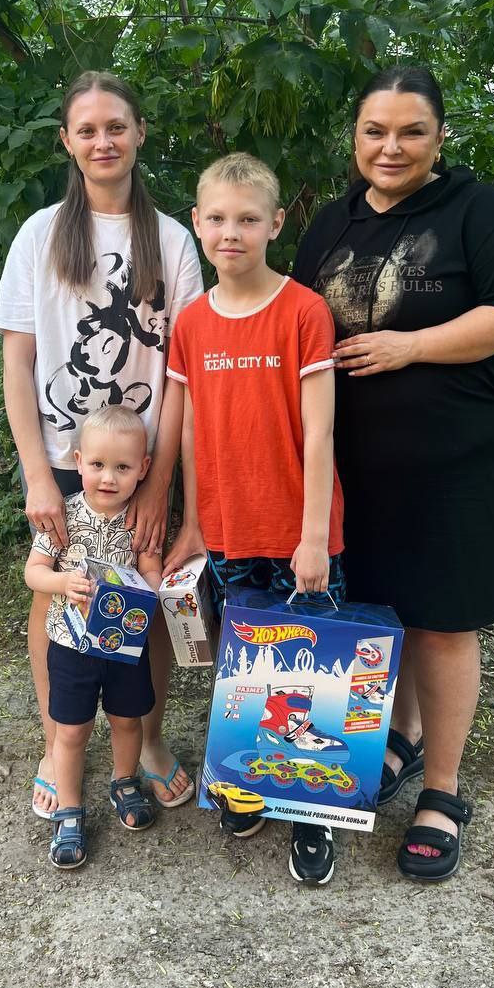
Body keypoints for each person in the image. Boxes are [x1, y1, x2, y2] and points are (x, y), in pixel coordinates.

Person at [292, 66, 494, 882]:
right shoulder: (328, 226)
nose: (390, 147)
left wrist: (412, 345)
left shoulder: (479, 211)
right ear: (354, 138)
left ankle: (442, 790)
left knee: (442, 621)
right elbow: (293, 327)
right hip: (348, 468)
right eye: (375, 131)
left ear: (439, 137)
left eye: (410, 131)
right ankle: (395, 738)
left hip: (451, 463)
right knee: (380, 614)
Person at [0, 71, 203, 818]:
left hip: (139, 460)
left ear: (140, 132)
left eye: (116, 125)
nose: (103, 140)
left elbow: (181, 373)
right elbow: (17, 361)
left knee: (138, 599)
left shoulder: (173, 240)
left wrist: (160, 481)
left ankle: (144, 740)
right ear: (67, 142)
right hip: (61, 458)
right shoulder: (40, 234)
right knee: (60, 598)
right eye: (87, 129)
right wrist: (36, 476)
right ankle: (61, 743)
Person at [163, 152, 346, 886]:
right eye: (216, 218)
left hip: (300, 534)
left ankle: (312, 812)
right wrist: (194, 521)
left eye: (246, 218)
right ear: (199, 224)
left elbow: (321, 432)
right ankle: (250, 784)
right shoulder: (193, 321)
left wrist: (312, 537)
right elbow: (188, 433)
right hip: (228, 529)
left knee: (313, 674)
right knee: (246, 671)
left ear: (275, 223)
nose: (229, 232)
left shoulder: (303, 311)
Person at [24, 406, 163, 868]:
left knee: (128, 721)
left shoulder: (139, 520)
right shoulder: (64, 515)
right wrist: (62, 583)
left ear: (142, 469)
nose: (109, 477)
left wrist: (153, 589)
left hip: (125, 646)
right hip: (69, 644)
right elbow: (34, 573)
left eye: (123, 467)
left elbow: (150, 571)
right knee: (71, 730)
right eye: (98, 465)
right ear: (78, 461)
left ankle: (125, 781)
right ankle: (69, 808)